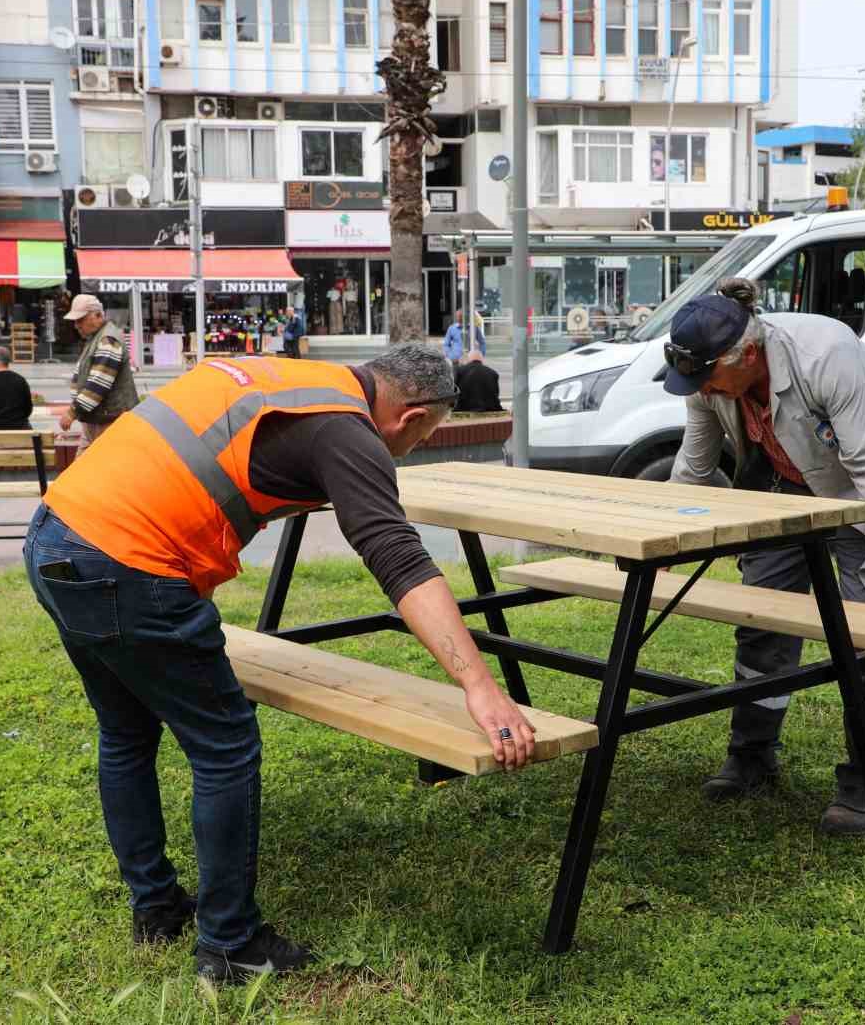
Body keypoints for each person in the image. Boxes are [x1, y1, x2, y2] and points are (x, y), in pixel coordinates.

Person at [26, 345, 536, 985]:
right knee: (225, 747)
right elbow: (398, 557)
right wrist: (480, 687)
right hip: (127, 562)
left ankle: (156, 907)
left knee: (127, 732)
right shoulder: (346, 430)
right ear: (413, 416)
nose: (415, 446)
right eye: (427, 434)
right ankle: (231, 945)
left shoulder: (290, 375)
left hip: (57, 533)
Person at [664, 279, 865, 837]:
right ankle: (752, 755)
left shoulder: (827, 355)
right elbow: (694, 467)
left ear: (749, 354)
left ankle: (864, 782)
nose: (704, 389)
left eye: (709, 377)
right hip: (781, 490)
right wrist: (663, 539)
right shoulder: (707, 379)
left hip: (860, 498)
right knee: (761, 623)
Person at [60, 294, 138, 454]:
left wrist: (72, 412)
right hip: (98, 421)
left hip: (109, 422)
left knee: (92, 473)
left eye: (80, 319)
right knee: (82, 473)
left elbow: (97, 385)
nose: (76, 325)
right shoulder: (97, 337)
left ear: (98, 315)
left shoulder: (108, 340)